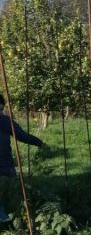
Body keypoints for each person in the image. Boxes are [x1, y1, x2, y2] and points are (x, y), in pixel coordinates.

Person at [0, 93, 44, 222]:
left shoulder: (6, 122)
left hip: (6, 167)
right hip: (6, 168)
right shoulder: (6, 121)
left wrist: (39, 143)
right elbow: (22, 136)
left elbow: (22, 136)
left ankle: (12, 218)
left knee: (11, 194)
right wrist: (39, 143)